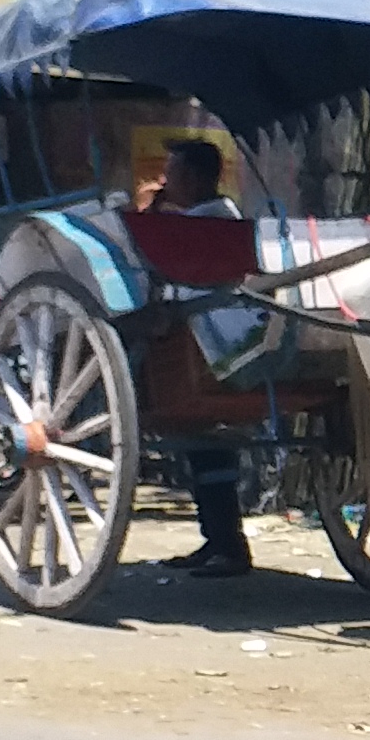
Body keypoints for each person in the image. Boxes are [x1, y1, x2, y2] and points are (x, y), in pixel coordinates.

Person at [138, 135, 256, 581]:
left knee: (207, 449)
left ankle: (226, 544)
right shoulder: (218, 216)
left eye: (174, 173)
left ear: (194, 178)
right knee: (207, 453)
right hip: (221, 332)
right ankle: (220, 541)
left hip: (208, 338)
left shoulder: (201, 223)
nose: (167, 181)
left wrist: (152, 211)